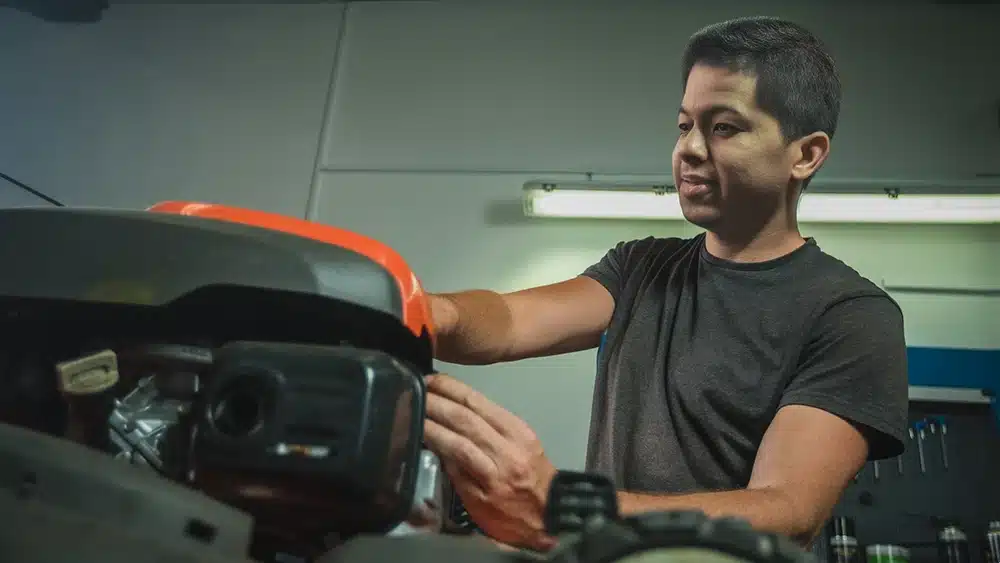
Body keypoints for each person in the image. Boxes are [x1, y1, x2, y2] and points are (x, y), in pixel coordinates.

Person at [420, 15, 909, 552]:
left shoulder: (851, 315)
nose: (690, 149)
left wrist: (567, 507)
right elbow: (509, 323)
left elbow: (786, 508)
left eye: (724, 127)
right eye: (684, 126)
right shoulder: (640, 269)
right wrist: (418, 312)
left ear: (806, 153)